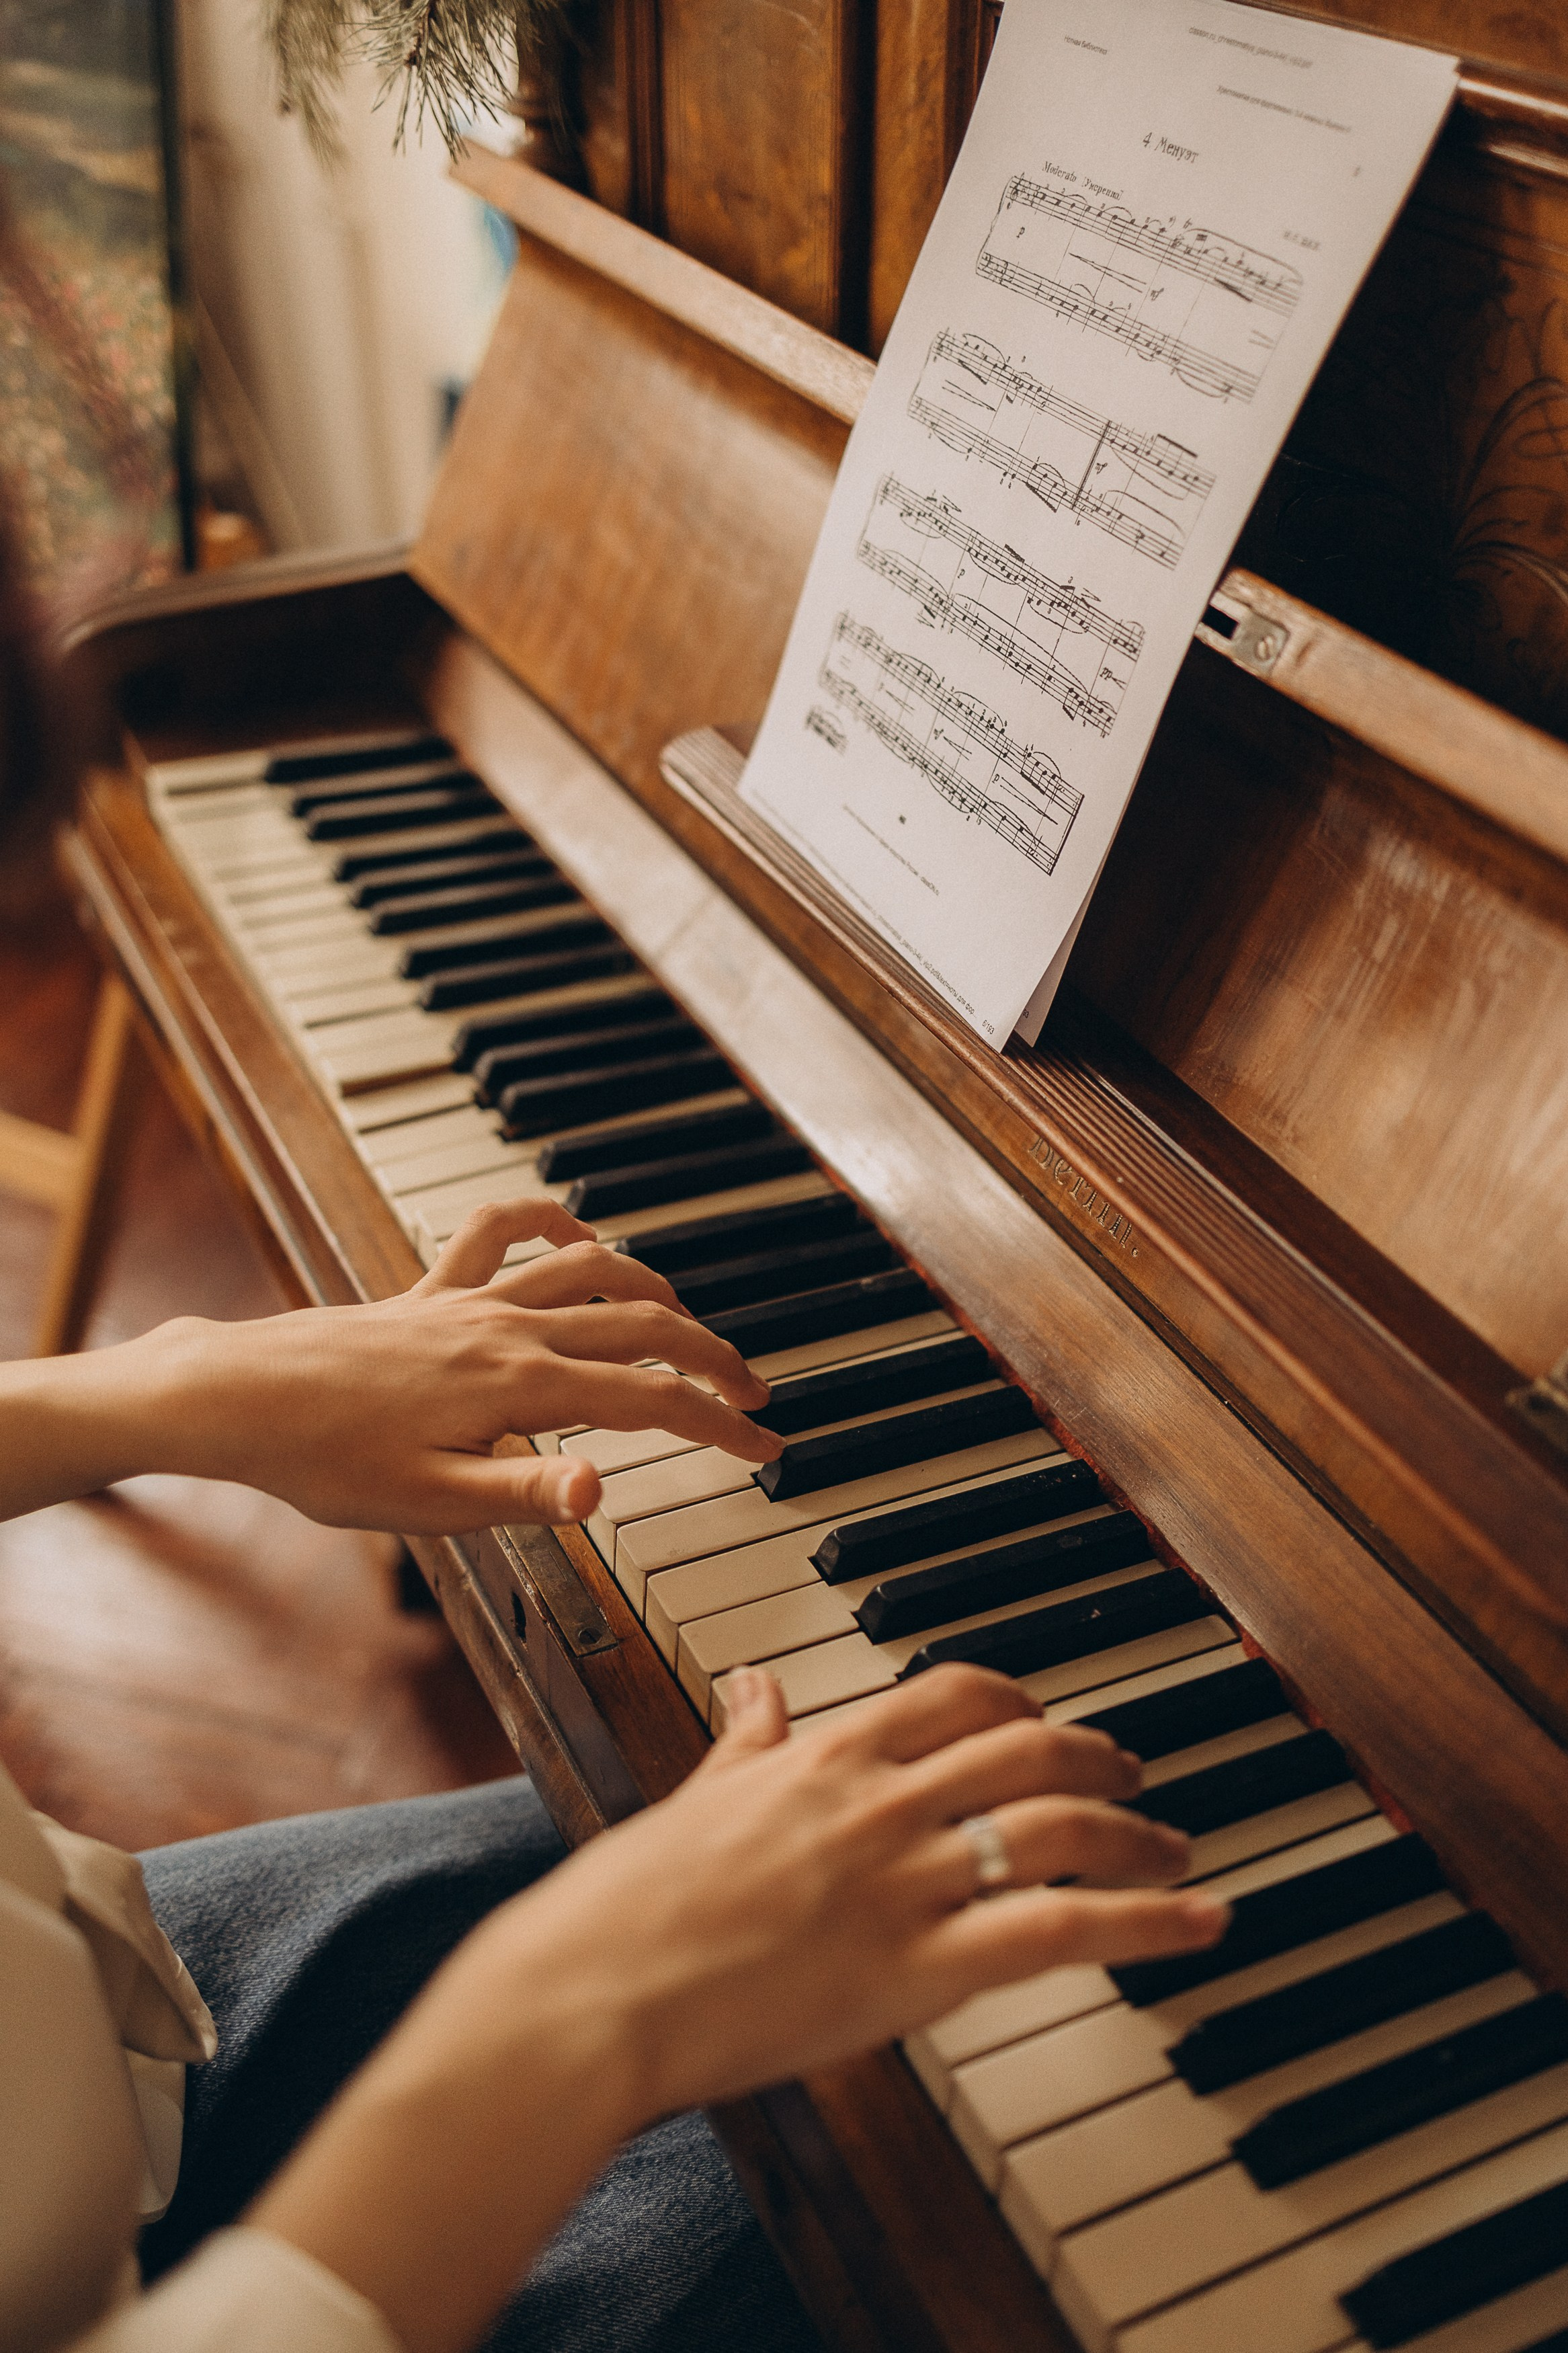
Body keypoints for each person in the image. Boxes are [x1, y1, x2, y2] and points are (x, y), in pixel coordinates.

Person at [0, 1191, 1232, 2353]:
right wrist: (567, 2014)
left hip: (79, 1990)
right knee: (1081, 2161)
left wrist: (160, 1386)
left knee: (820, 1834)